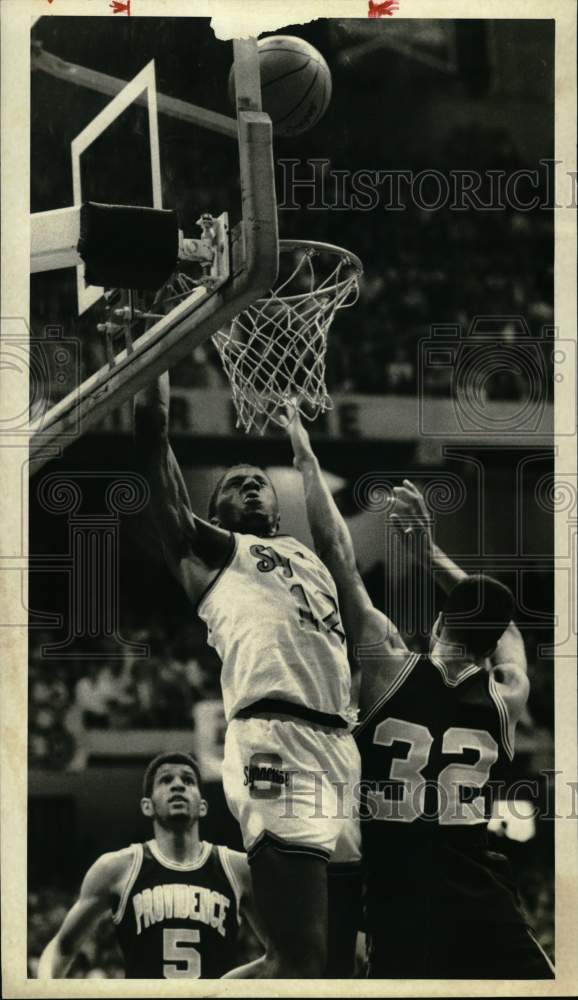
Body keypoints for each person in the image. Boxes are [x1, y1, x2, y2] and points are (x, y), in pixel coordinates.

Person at [286, 409, 554, 980]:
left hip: (399, 902)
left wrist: (307, 458)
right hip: (483, 899)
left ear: (436, 626)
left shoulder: (391, 667)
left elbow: (339, 556)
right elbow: (504, 627)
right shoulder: (507, 692)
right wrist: (431, 554)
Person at [131, 375, 361, 978]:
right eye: (236, 485)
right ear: (218, 511)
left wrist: (305, 454)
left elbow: (337, 542)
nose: (252, 487)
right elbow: (163, 484)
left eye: (259, 482)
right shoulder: (212, 556)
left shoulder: (307, 557)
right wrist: (152, 384)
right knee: (298, 959)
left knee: (349, 956)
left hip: (341, 743)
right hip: (274, 741)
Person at [37, 752, 261, 979]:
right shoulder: (116, 869)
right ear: (147, 806)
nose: (178, 786)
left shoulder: (237, 868)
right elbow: (61, 948)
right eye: (165, 780)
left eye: (188, 780)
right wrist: (43, 989)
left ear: (202, 806)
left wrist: (230, 983)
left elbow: (284, 956)